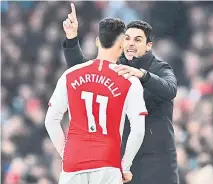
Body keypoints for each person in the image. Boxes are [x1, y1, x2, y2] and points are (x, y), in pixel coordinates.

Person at [62, 3, 179, 184]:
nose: (131, 43)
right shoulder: (116, 67)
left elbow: (170, 89)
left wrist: (143, 76)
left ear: (148, 46)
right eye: (127, 39)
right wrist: (72, 40)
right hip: (124, 159)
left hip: (157, 162)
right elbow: (84, 73)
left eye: (137, 40)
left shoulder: (160, 68)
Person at [45, 7, 147, 184]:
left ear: (97, 42)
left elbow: (50, 120)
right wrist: (125, 166)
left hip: (73, 164)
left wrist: (66, 153)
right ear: (122, 44)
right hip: (107, 164)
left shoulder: (70, 75)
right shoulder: (129, 80)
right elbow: (138, 131)